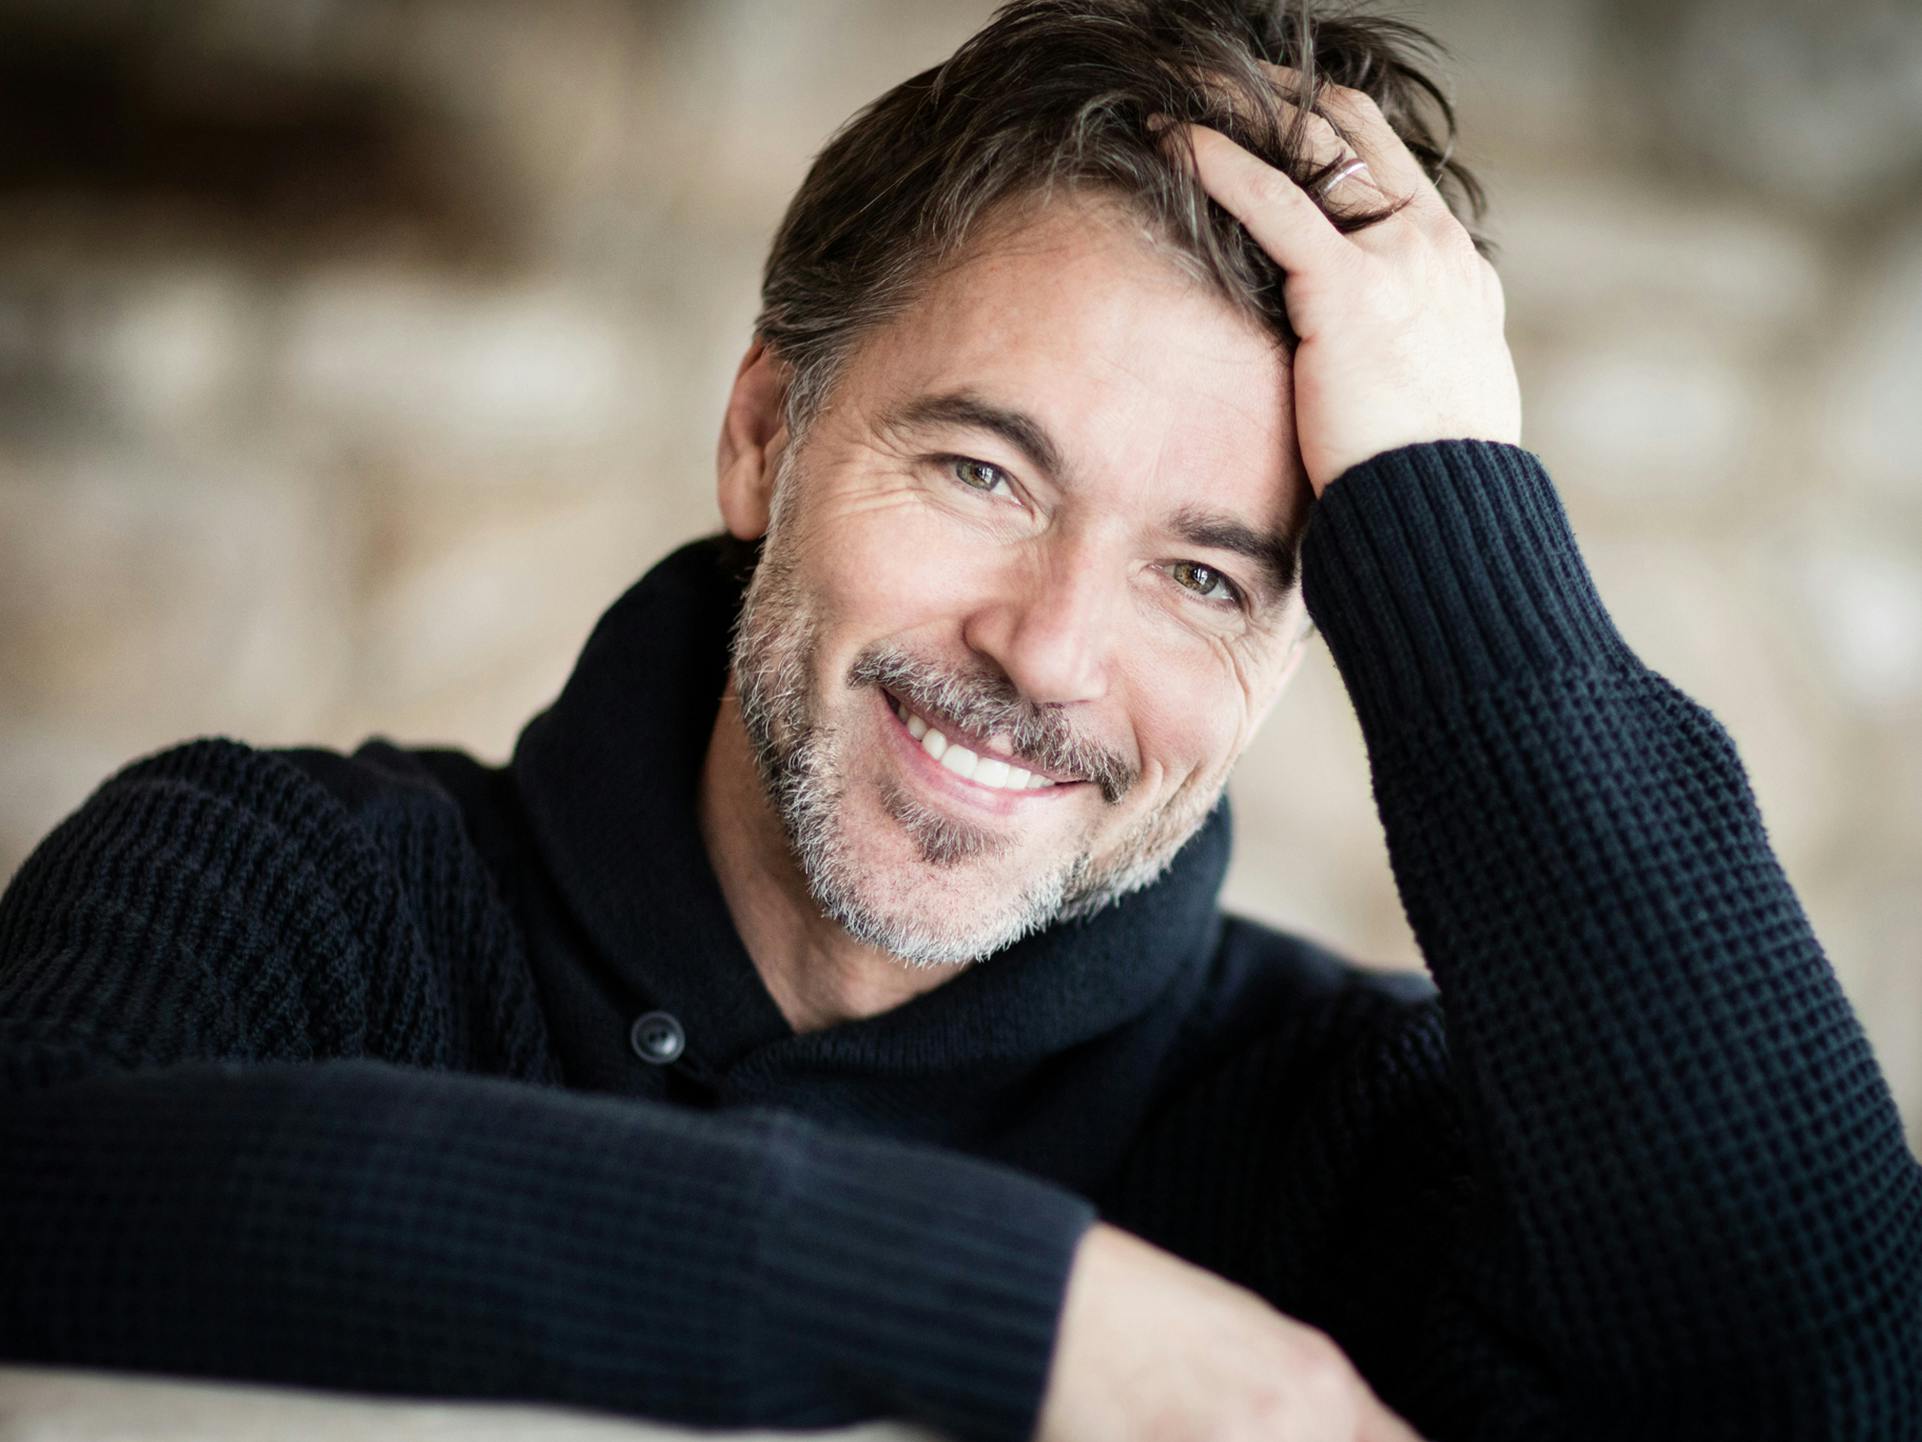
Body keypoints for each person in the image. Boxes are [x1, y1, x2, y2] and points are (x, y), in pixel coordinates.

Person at [1, 1, 1916, 1439]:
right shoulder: (276, 887)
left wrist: (1446, 501)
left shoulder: (1360, 1146)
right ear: (765, 434)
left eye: (1207, 574)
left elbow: (1825, 1384)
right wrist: (1027, 1316)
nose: (1052, 653)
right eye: (985, 474)